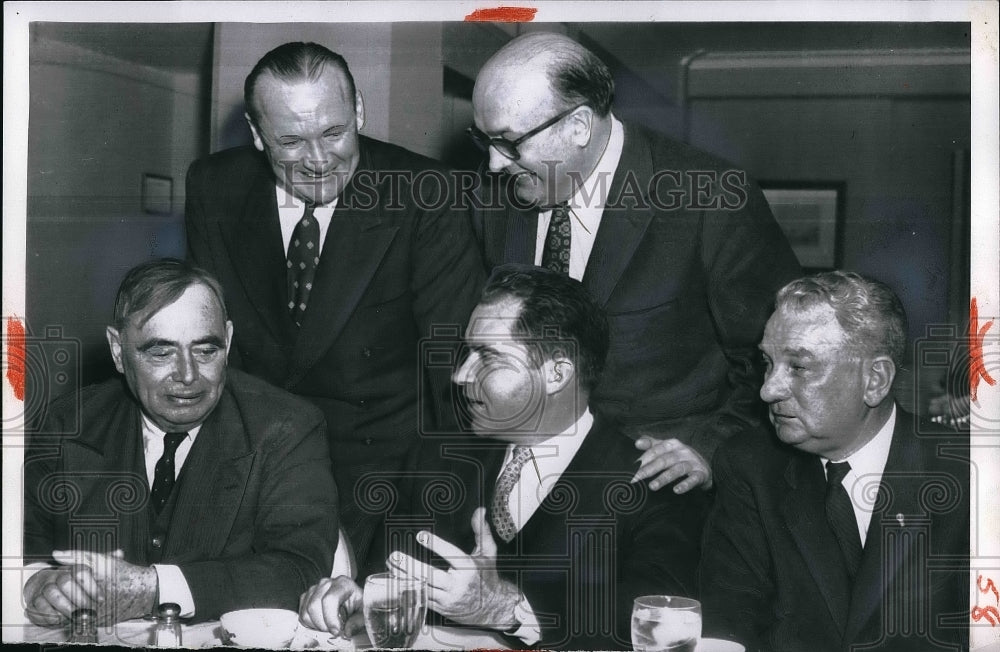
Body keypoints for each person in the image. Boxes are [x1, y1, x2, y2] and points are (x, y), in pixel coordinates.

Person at [299, 265, 707, 650]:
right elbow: (390, 581)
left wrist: (511, 609)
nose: (460, 376)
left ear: (557, 373)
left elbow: (654, 627)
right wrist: (359, 599)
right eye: (465, 354)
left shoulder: (654, 481)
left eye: (488, 358)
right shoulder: (435, 460)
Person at [184, 42, 485, 561]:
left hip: (387, 483)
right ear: (257, 135)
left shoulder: (428, 194)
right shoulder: (214, 186)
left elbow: (451, 380)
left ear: (360, 111)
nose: (319, 161)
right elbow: (212, 348)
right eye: (291, 141)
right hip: (257, 468)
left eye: (334, 132)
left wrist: (428, 528)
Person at [468, 32, 802, 494]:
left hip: (658, 495)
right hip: (535, 486)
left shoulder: (711, 199)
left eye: (507, 142)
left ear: (579, 125)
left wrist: (711, 447)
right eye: (482, 139)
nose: (492, 165)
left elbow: (781, 360)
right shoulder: (493, 203)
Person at [22, 259, 338, 626]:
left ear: (229, 340)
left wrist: (155, 588)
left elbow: (298, 571)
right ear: (117, 350)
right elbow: (20, 547)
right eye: (161, 352)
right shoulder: (69, 423)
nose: (188, 375)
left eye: (206, 351)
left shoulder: (287, 427)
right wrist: (38, 582)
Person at [700, 271, 969, 651]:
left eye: (798, 367)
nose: (767, 390)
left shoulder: (968, 475)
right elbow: (729, 628)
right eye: (767, 363)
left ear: (875, 380)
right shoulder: (749, 468)